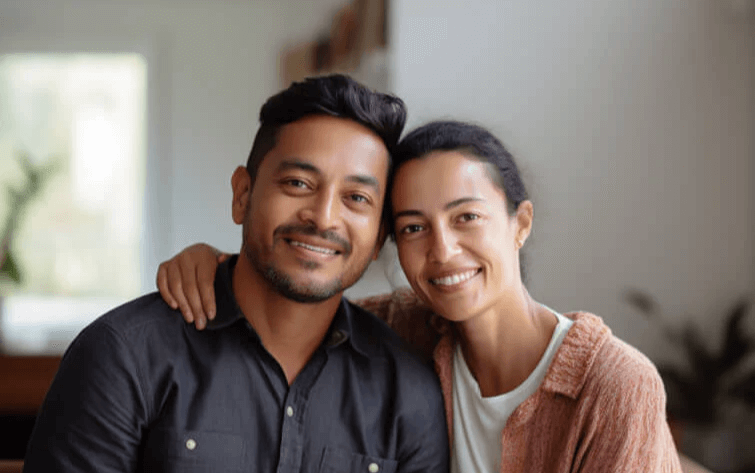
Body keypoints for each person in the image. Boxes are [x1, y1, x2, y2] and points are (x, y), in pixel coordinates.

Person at [158, 120, 683, 472]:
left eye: (466, 217)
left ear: (520, 223)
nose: (443, 251)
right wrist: (216, 264)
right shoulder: (404, 329)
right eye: (413, 228)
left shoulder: (613, 385)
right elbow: (295, 309)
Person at [23, 75, 449, 473]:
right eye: (298, 183)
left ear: (378, 238)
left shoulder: (409, 395)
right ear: (243, 195)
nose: (323, 217)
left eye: (356, 198)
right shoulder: (124, 357)